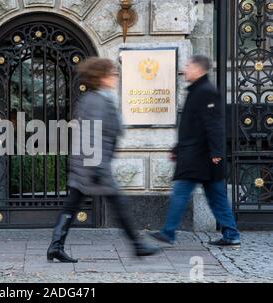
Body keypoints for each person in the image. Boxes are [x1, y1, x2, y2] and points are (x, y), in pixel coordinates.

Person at [47, 57, 161, 263]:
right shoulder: (97, 100)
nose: (115, 77)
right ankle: (137, 245)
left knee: (72, 205)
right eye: (112, 74)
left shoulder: (97, 98)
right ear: (101, 77)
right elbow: (92, 134)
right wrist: (97, 167)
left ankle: (56, 246)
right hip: (94, 165)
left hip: (90, 164)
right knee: (118, 203)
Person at [149, 55, 241, 247]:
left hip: (202, 157)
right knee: (216, 197)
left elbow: (214, 124)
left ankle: (168, 232)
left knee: (182, 193)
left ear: (199, 70)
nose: (185, 69)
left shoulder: (206, 92)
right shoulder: (198, 91)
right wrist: (177, 148)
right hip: (197, 155)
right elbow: (192, 127)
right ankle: (231, 234)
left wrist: (216, 153)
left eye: (188, 66)